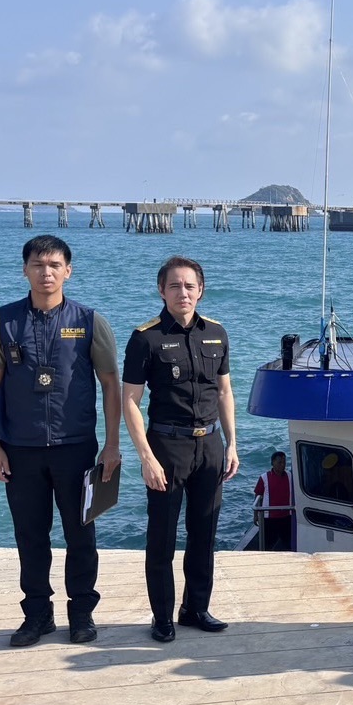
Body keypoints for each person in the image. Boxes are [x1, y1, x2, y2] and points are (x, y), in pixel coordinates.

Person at [0, 235, 122, 647]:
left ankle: (82, 613)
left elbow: (111, 384)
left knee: (81, 535)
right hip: (19, 447)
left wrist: (112, 444)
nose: (46, 272)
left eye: (55, 265)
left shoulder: (90, 321)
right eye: (38, 265)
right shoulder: (2, 321)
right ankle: (37, 614)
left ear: (68, 271)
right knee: (30, 536)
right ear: (25, 269)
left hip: (76, 447)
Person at [122, 256, 240, 643]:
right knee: (162, 537)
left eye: (190, 286)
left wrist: (232, 444)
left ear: (201, 290)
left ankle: (195, 608)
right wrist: (146, 457)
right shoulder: (146, 338)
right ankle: (162, 617)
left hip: (210, 445)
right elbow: (130, 401)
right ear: (162, 290)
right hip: (166, 446)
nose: (183, 293)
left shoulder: (216, 333)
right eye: (174, 286)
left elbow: (224, 391)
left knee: (204, 533)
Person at [253, 450, 295, 550]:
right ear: (272, 463)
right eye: (279, 462)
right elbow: (257, 496)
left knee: (288, 543)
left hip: (287, 515)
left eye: (284, 462)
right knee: (268, 543)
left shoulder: (290, 476)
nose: (282, 465)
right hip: (270, 517)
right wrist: (255, 515)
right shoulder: (264, 477)